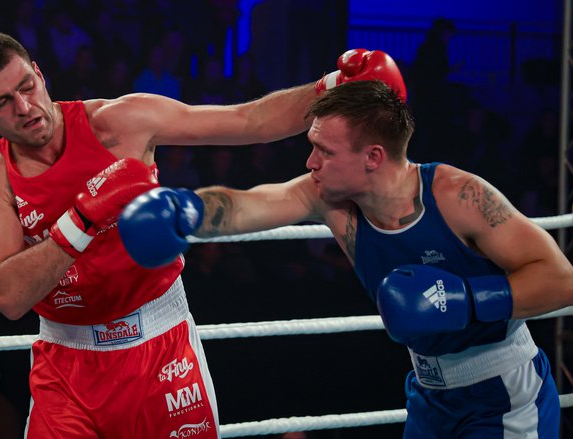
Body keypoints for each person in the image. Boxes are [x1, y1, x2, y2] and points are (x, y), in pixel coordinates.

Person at [0, 31, 404, 438]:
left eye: (26, 87)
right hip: (67, 363)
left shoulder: (120, 122)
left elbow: (249, 121)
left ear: (39, 73)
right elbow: (9, 297)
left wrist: (334, 87)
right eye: (2, 103)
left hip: (160, 349)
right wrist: (81, 221)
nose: (24, 108)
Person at [120, 80, 573, 438]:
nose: (310, 161)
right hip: (430, 396)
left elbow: (559, 278)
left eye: (325, 150)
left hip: (503, 393)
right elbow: (251, 205)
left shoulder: (458, 196)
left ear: (373, 157)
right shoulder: (329, 197)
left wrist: (464, 300)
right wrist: (186, 211)